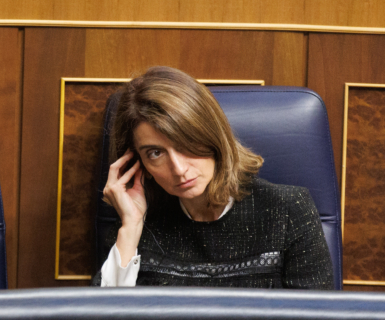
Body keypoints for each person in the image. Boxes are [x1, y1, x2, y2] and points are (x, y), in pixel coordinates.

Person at [96, 66, 334, 289]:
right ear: (139, 164)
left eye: (185, 142)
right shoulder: (137, 218)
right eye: (155, 153)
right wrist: (131, 229)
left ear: (212, 136)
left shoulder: (288, 210)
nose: (179, 169)